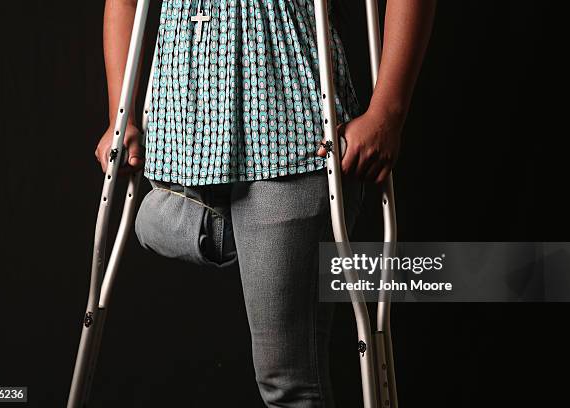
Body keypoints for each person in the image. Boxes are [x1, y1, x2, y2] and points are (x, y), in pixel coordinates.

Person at [94, 0, 436, 406]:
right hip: (180, 144)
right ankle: (264, 243)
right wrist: (121, 114)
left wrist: (388, 113)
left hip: (290, 139)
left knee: (286, 383)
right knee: (149, 223)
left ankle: (285, 244)